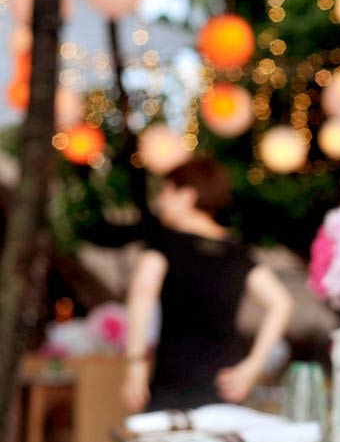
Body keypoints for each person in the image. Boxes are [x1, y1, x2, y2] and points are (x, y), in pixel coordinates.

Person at [120, 158, 294, 413]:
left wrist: (135, 363)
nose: (160, 202)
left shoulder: (165, 243)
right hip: (227, 385)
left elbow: (143, 292)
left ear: (187, 195)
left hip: (174, 384)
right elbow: (282, 303)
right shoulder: (236, 251)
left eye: (166, 193)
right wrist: (252, 368)